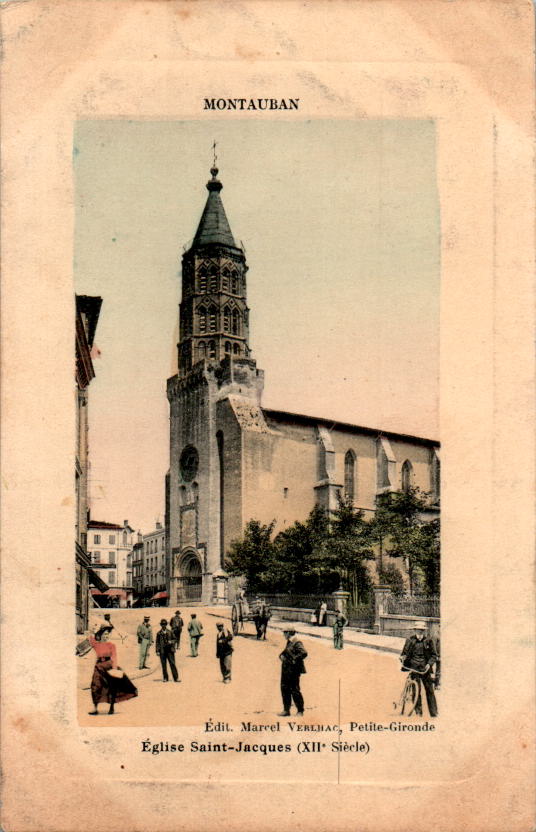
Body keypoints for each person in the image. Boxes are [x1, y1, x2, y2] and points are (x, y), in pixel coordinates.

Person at [88, 629, 137, 715]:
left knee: (112, 687)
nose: (106, 636)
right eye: (105, 634)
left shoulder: (111, 645)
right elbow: (90, 638)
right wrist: (93, 632)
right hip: (98, 667)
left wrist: (114, 668)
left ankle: (111, 707)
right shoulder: (96, 644)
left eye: (107, 634)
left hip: (109, 666)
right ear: (101, 635)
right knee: (95, 686)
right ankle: (95, 709)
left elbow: (114, 656)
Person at [400, 621, 439, 717]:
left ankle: (433, 713)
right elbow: (404, 653)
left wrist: (429, 664)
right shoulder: (410, 640)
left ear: (424, 631)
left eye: (422, 630)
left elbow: (434, 655)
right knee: (416, 690)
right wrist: (402, 657)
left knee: (430, 690)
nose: (420, 632)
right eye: (418, 630)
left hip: (425, 669)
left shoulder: (429, 641)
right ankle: (418, 712)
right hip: (414, 668)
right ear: (415, 630)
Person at [278, 626, 307, 717]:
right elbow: (286, 652)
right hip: (286, 670)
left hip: (293, 670)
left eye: (285, 633)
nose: (283, 635)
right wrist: (281, 656)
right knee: (284, 689)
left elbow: (304, 653)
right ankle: (286, 710)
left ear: (289, 633)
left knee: (295, 690)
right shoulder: (290, 642)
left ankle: (300, 710)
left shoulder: (297, 642)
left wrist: (294, 659)